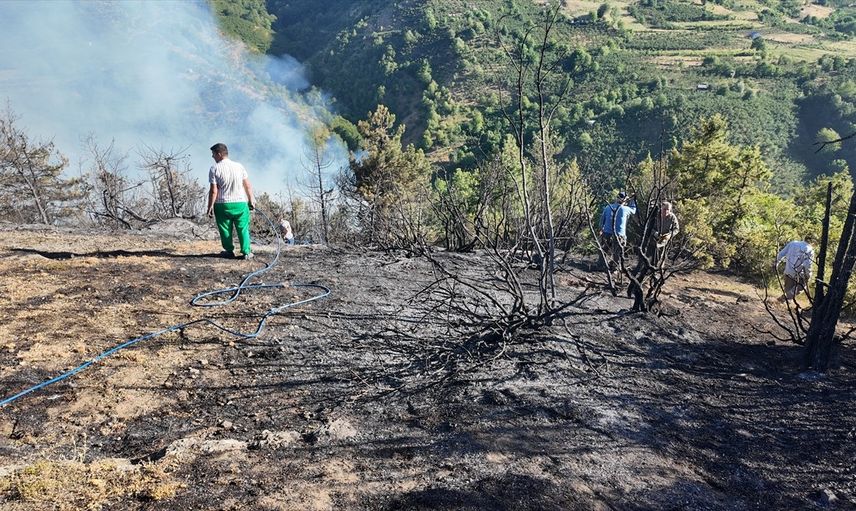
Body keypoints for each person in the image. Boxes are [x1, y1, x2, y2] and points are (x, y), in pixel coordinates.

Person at [206, 143, 255, 260]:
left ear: (219, 154)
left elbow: (213, 191)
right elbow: (247, 185)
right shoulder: (239, 166)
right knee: (243, 228)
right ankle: (246, 252)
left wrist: (210, 206)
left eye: (213, 154)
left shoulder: (214, 168)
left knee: (225, 229)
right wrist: (251, 200)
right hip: (240, 203)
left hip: (222, 204)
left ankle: (229, 251)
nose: (212, 157)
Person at [599, 191, 637, 269]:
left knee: (603, 251)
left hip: (607, 233)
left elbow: (602, 220)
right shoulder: (625, 209)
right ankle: (615, 268)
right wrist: (633, 200)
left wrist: (601, 229)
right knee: (618, 253)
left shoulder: (608, 207)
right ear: (624, 200)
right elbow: (633, 210)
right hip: (619, 234)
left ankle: (601, 265)